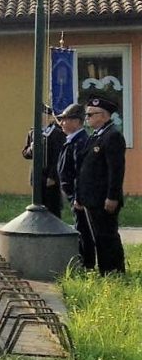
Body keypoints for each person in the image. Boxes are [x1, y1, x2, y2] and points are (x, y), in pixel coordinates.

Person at [74, 95, 127, 275]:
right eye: (87, 115)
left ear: (103, 115)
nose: (87, 118)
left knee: (107, 237)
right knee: (98, 237)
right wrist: (80, 196)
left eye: (91, 115)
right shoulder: (95, 136)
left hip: (103, 198)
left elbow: (116, 170)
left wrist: (112, 196)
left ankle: (113, 271)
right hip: (91, 198)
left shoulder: (113, 136)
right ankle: (105, 270)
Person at [56, 103, 95, 270]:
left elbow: (81, 173)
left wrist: (78, 197)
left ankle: (88, 265)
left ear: (77, 122)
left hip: (79, 196)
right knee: (80, 227)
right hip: (72, 194)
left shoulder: (80, 141)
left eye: (65, 119)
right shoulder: (72, 140)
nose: (62, 123)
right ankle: (85, 262)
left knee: (83, 230)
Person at [23, 109, 67, 218]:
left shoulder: (57, 133)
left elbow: (58, 157)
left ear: (49, 117)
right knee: (38, 204)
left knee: (52, 206)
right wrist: (31, 149)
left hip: (50, 176)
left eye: (42, 115)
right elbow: (25, 153)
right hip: (37, 175)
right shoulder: (33, 132)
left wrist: (53, 176)